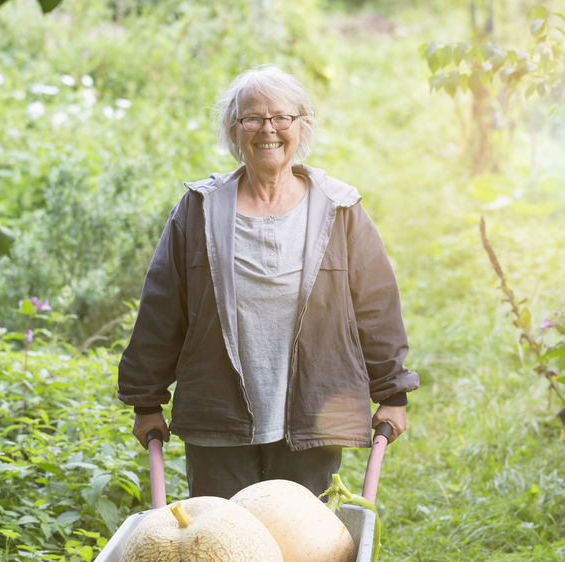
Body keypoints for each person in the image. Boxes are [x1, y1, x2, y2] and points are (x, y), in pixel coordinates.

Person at [116, 65, 418, 499]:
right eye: (252, 118)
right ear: (234, 131)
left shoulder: (340, 209)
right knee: (219, 547)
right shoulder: (199, 210)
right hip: (217, 418)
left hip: (313, 414)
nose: (267, 130)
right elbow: (163, 307)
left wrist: (393, 392)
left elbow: (376, 306)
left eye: (281, 118)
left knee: (304, 553)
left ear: (302, 126)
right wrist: (147, 402)